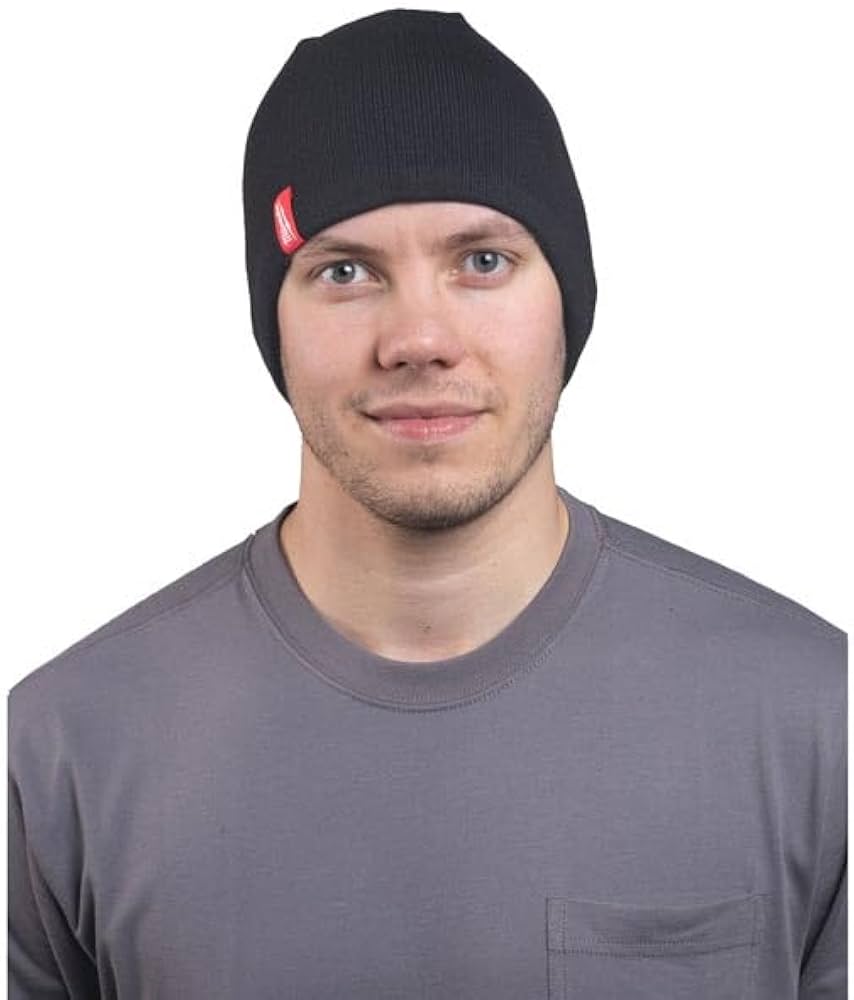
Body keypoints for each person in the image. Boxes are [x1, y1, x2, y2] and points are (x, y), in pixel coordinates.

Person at [7, 9, 846, 998]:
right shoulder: (65, 748)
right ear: (272, 318)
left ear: (566, 299)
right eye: (344, 271)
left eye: (481, 261)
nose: (418, 338)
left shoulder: (813, 719)